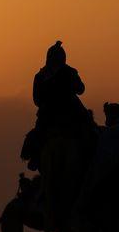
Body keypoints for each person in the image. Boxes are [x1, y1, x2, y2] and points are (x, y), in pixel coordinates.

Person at [20, 41, 92, 170]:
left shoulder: (40, 76)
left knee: (38, 135)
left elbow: (36, 100)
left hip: (48, 115)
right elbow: (81, 89)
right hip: (71, 112)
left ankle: (35, 158)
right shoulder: (68, 72)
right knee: (90, 131)